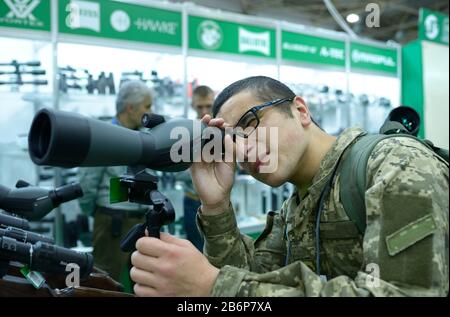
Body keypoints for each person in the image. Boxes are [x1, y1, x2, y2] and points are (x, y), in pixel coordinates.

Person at [129, 76, 448, 297]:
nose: (243, 148)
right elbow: (254, 275)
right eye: (232, 141)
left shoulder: (395, 164)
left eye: (251, 123)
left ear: (301, 110)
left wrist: (215, 286)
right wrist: (217, 208)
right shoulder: (296, 207)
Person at [77, 80, 152, 283]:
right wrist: (100, 213)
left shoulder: (144, 137)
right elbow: (87, 183)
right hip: (112, 223)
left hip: (141, 222)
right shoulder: (104, 136)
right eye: (147, 106)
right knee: (105, 282)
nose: (150, 112)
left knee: (146, 283)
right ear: (130, 108)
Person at [176, 85, 215, 251]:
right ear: (192, 105)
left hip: (219, 200)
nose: (204, 110)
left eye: (208, 105)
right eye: (200, 106)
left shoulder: (222, 129)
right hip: (193, 201)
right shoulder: (185, 131)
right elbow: (178, 172)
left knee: (222, 250)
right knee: (196, 251)